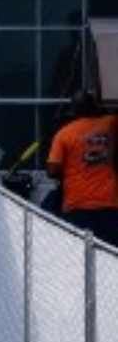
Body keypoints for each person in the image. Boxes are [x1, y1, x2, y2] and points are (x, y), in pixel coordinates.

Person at [46, 96, 118, 245]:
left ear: (74, 111)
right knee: (111, 253)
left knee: (81, 253)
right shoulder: (110, 123)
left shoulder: (64, 134)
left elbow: (52, 169)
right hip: (109, 203)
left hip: (77, 204)